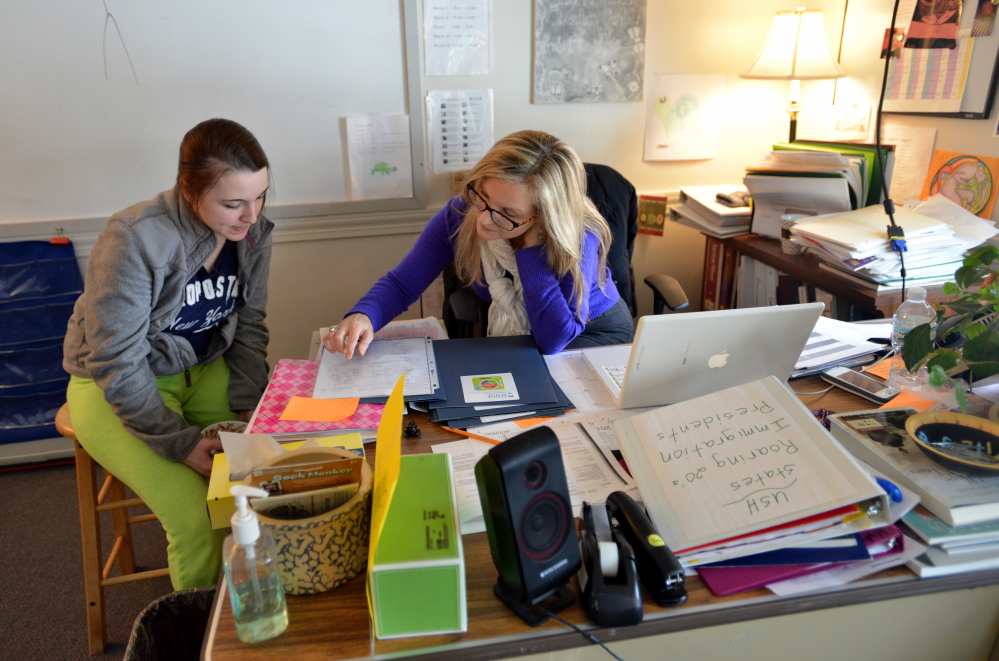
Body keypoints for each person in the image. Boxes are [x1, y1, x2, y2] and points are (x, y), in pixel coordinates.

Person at [63, 118, 273, 590]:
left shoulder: (253, 233)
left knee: (261, 484)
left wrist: (250, 403)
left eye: (260, 196)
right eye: (233, 203)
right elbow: (114, 361)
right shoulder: (132, 238)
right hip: (117, 383)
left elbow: (249, 325)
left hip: (201, 366)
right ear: (188, 188)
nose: (250, 216)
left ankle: (256, 609)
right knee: (200, 519)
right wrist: (178, 443)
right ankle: (199, 636)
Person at [325, 129, 634, 357]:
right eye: (482, 197)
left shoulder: (577, 235)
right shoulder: (460, 213)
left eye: (508, 214)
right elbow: (403, 283)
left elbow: (554, 339)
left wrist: (531, 249)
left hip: (597, 335)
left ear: (543, 217)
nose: (483, 219)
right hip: (527, 340)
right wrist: (364, 314)